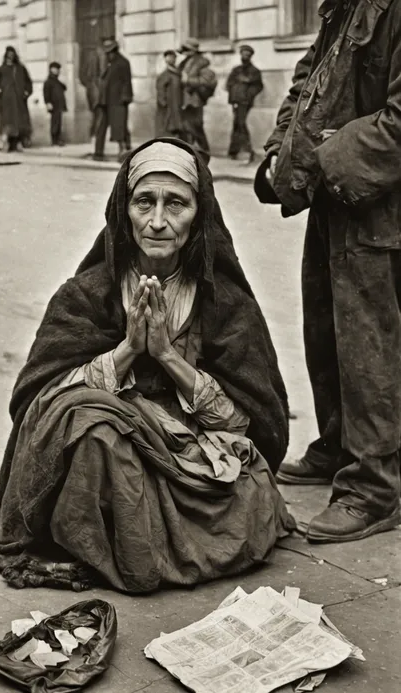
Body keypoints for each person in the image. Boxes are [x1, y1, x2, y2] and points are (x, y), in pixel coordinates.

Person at [0, 138, 292, 594]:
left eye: (176, 204)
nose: (158, 222)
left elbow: (254, 424)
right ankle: (126, 544)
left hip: (196, 471)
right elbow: (37, 406)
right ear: (123, 212)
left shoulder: (225, 304)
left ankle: (139, 546)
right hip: (114, 467)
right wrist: (126, 351)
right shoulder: (86, 294)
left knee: (243, 494)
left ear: (199, 215)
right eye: (144, 202)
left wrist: (166, 355)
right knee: (92, 429)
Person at [254, 0, 401, 543]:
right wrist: (281, 149)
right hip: (335, 201)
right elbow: (305, 84)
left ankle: (375, 487)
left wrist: (322, 156)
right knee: (327, 332)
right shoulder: (343, 9)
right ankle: (342, 445)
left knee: (371, 349)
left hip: (381, 208)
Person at [93, 38, 133, 162]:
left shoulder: (123, 63)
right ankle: (98, 152)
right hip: (106, 101)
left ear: (114, 51)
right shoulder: (109, 63)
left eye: (109, 53)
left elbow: (127, 82)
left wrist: (125, 98)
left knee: (120, 128)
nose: (107, 55)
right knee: (102, 127)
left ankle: (124, 152)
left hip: (118, 101)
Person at [178, 38, 217, 163]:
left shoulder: (202, 64)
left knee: (196, 128)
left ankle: (205, 153)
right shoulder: (184, 63)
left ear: (193, 51)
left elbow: (207, 82)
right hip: (183, 101)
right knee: (186, 129)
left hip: (195, 101)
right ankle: (190, 156)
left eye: (186, 50)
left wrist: (188, 81)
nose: (184, 52)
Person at [226, 45, 263, 164]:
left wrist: (248, 95)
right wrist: (233, 97)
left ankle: (248, 151)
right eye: (243, 54)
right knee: (237, 124)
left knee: (240, 123)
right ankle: (234, 151)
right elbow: (229, 83)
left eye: (247, 54)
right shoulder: (236, 70)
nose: (245, 56)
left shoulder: (254, 71)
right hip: (236, 101)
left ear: (250, 56)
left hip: (245, 102)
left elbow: (258, 86)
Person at [0, 46, 33, 152]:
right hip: (7, 102)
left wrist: (27, 92)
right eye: (8, 55)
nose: (10, 57)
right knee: (8, 123)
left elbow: (28, 82)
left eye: (12, 55)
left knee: (19, 123)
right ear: (5, 56)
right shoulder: (1, 69)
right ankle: (8, 144)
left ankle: (17, 143)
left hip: (19, 101)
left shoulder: (20, 68)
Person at [155, 50, 183, 139]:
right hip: (168, 106)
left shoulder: (178, 72)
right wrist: (163, 103)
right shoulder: (164, 74)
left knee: (177, 127)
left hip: (177, 104)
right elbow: (160, 90)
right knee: (166, 128)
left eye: (173, 57)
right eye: (169, 57)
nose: (171, 59)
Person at [43, 62, 67, 147]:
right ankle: (54, 140)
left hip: (59, 105)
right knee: (55, 123)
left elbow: (64, 87)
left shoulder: (56, 81)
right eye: (55, 69)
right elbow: (46, 93)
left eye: (58, 69)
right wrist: (48, 103)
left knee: (58, 122)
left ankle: (58, 139)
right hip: (54, 105)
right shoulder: (48, 81)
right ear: (51, 69)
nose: (57, 71)